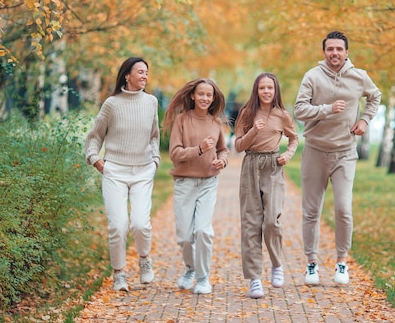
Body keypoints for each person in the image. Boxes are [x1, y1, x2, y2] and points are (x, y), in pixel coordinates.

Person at [294, 31, 381, 286]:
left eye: (339, 49)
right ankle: (311, 264)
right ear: (324, 52)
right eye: (330, 49)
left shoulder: (359, 76)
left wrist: (364, 119)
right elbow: (300, 109)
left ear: (346, 52)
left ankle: (341, 262)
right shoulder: (312, 76)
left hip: (345, 152)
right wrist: (327, 109)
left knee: (343, 209)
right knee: (311, 211)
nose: (334, 53)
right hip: (315, 151)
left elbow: (375, 96)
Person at [84, 57, 160, 292]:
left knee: (139, 223)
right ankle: (119, 273)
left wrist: (155, 161)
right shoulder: (112, 104)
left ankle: (144, 259)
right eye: (140, 72)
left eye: (146, 72)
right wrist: (95, 160)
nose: (145, 76)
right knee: (118, 225)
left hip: (143, 170)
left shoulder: (151, 102)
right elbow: (95, 136)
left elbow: (154, 135)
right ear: (127, 75)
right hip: (114, 170)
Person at [233, 73, 299, 299]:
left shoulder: (282, 115)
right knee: (251, 223)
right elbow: (239, 145)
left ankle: (277, 264)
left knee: (271, 220)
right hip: (251, 165)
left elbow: (294, 138)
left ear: (275, 90)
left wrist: (287, 155)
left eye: (270, 87)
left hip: (273, 165)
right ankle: (254, 279)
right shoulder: (246, 113)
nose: (266, 92)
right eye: (262, 88)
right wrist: (254, 130)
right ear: (257, 90)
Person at [162, 78, 229, 295]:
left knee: (202, 231)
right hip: (184, 182)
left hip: (208, 182)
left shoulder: (216, 123)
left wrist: (223, 160)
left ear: (213, 98)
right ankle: (190, 268)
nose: (205, 98)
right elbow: (175, 154)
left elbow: (223, 150)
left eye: (209, 95)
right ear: (192, 96)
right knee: (184, 236)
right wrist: (198, 149)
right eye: (201, 94)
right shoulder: (182, 120)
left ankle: (203, 277)